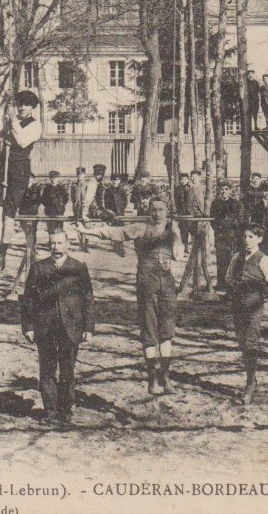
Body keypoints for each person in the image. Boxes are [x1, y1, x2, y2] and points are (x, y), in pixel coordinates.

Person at [76, 198, 185, 395]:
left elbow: (179, 255)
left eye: (161, 210)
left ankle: (166, 377)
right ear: (148, 211)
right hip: (147, 281)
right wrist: (86, 231)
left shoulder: (173, 230)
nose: (157, 213)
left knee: (167, 331)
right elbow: (112, 233)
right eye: (154, 210)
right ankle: (152, 379)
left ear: (167, 211)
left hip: (167, 283)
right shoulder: (140, 228)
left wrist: (176, 234)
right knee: (149, 328)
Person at [20, 230, 95, 425]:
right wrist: (28, 327)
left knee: (67, 370)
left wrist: (88, 327)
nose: (55, 247)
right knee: (47, 370)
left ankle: (66, 410)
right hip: (45, 327)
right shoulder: (38, 268)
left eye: (59, 243)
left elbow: (88, 299)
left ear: (67, 245)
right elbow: (28, 300)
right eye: (52, 243)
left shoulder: (78, 268)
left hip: (71, 327)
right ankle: (50, 412)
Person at [0, 90, 43, 271]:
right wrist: (4, 102)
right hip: (2, 165)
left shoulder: (36, 125)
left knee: (8, 213)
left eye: (26, 105)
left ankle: (2, 254)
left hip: (19, 169)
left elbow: (21, 141)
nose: (21, 108)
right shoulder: (11, 119)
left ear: (32, 108)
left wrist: (13, 120)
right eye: (20, 104)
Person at [225, 226, 268, 405]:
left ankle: (250, 384)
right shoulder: (237, 257)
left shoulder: (264, 259)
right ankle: (252, 377)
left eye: (251, 237)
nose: (247, 240)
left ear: (259, 239)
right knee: (242, 341)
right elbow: (227, 278)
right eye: (244, 236)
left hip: (254, 306)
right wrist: (235, 286)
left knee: (251, 341)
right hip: (238, 304)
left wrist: (256, 289)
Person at [210, 183, 241, 292]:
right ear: (219, 191)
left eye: (226, 189)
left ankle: (231, 286)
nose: (223, 191)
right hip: (220, 236)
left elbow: (239, 219)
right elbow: (212, 220)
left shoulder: (235, 203)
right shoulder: (215, 203)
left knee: (232, 261)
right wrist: (220, 226)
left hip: (232, 237)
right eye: (221, 189)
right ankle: (221, 284)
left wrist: (234, 228)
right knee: (221, 260)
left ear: (230, 191)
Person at [71, 167, 93, 252]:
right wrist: (75, 207)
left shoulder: (87, 185)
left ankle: (87, 246)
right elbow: (73, 199)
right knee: (79, 227)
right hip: (77, 209)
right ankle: (81, 245)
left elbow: (91, 197)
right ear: (77, 175)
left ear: (84, 175)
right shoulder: (74, 186)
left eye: (82, 174)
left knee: (86, 227)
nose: (80, 176)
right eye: (79, 174)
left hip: (86, 209)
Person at [173, 172, 194, 253]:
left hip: (189, 212)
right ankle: (185, 246)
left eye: (185, 179)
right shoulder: (177, 189)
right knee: (183, 229)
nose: (183, 181)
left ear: (188, 180)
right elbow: (175, 199)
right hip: (181, 211)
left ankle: (192, 245)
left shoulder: (190, 188)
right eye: (182, 179)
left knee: (191, 228)